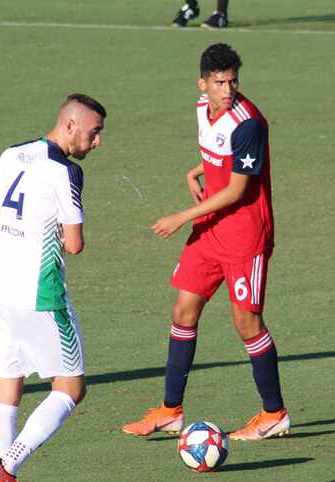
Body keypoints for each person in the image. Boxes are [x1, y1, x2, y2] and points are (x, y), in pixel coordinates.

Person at [122, 43, 289, 441]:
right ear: (203, 84)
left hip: (245, 234)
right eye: (220, 82)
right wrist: (193, 172)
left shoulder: (250, 123)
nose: (228, 89)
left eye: (233, 81)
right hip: (211, 229)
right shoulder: (203, 108)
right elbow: (216, 152)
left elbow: (236, 189)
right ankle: (170, 410)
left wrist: (181, 216)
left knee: (246, 323)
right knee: (183, 309)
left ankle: (274, 414)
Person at [0, 93, 106, 482]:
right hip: (41, 296)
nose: (97, 142)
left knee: (6, 391)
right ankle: (6, 468)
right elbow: (74, 244)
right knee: (70, 388)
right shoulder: (66, 172)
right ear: (70, 125)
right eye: (94, 132)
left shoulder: (13, 153)